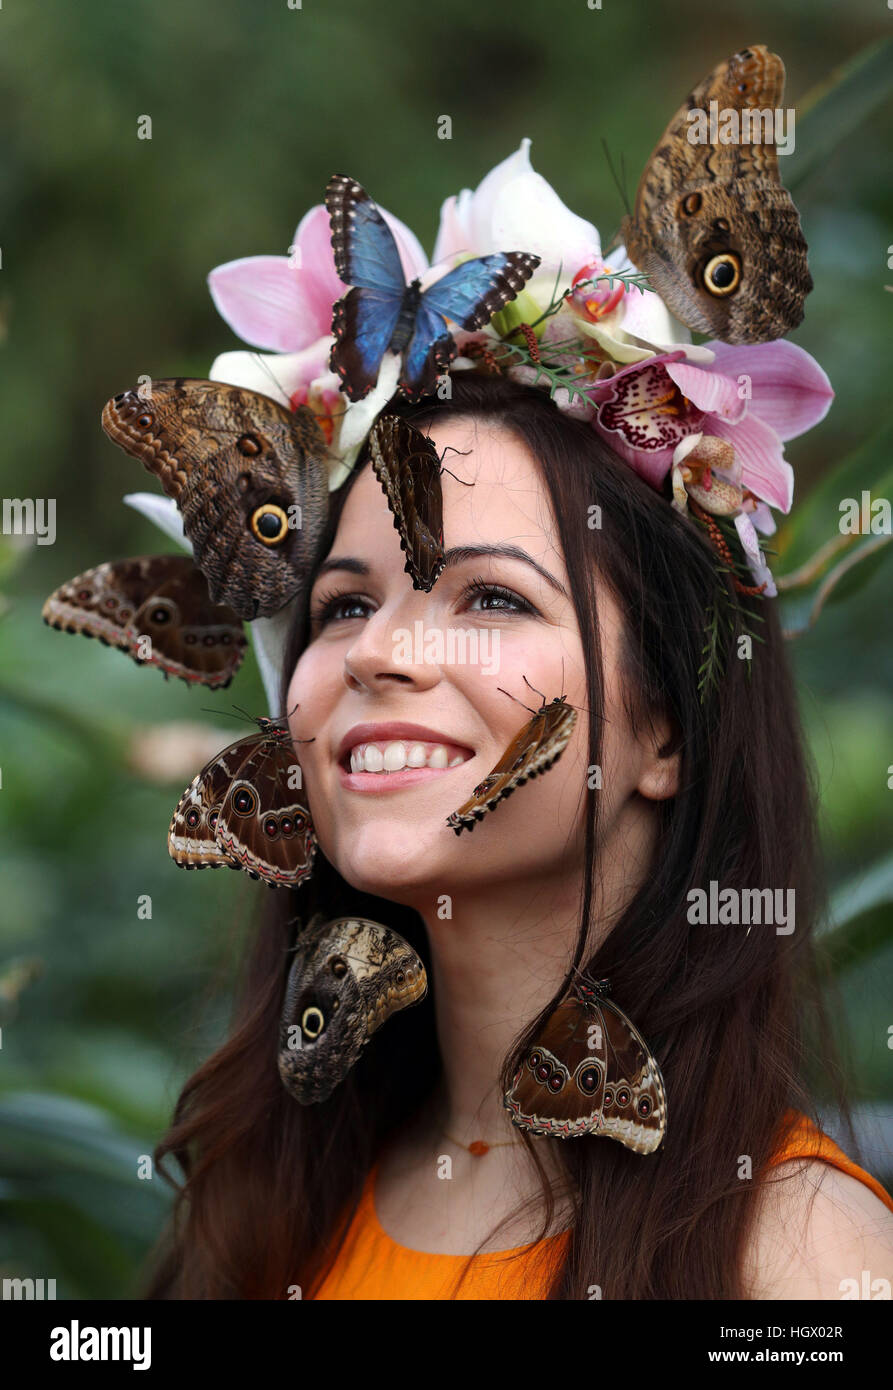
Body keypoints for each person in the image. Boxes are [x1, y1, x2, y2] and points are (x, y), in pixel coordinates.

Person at [143, 372, 893, 1300]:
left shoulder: (797, 1258)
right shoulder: (263, 1209)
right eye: (342, 606)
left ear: (666, 730)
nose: (377, 651)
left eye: (491, 599)